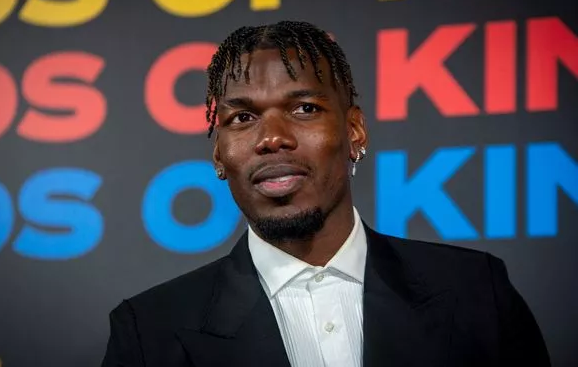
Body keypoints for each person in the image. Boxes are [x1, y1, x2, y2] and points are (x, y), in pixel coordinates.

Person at [100, 21, 550, 367]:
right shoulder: (148, 332)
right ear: (219, 155)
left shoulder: (476, 293)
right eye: (242, 118)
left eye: (304, 109)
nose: (271, 138)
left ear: (354, 131)